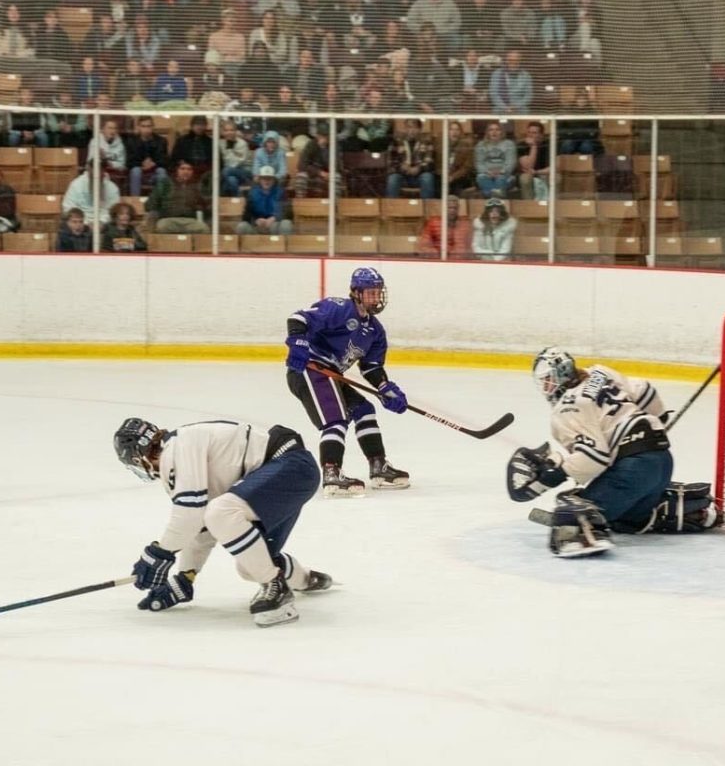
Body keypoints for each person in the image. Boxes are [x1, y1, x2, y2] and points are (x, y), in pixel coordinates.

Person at [112, 417, 333, 627]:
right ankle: (306, 579)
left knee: (222, 513)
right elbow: (200, 526)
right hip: (290, 471)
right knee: (251, 565)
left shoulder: (177, 448)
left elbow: (191, 514)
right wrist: (186, 577)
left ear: (137, 458)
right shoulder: (182, 452)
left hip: (290, 466)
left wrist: (159, 554)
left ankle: (276, 588)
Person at [506, 348, 721, 557]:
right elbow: (645, 391)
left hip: (633, 471)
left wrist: (558, 473)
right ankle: (685, 510)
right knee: (626, 519)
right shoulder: (599, 372)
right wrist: (658, 419)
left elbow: (593, 457)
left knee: (573, 506)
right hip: (663, 461)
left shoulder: (566, 407)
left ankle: (583, 532)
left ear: (558, 377)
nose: (546, 386)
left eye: (547, 380)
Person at [285, 267, 411, 497]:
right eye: (371, 292)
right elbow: (298, 318)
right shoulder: (338, 308)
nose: (376, 297)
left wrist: (384, 387)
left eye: (378, 292)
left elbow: (371, 367)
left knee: (364, 410)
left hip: (332, 374)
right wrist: (298, 343)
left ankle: (378, 468)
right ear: (356, 292)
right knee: (336, 419)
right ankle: (331, 474)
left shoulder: (375, 331)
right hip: (310, 368)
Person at [238, 165, 292, 234]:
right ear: (260, 180)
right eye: (264, 178)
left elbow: (288, 212)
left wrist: (274, 218)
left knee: (286, 224)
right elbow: (246, 215)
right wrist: (255, 220)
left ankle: (280, 244)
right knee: (242, 226)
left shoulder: (281, 192)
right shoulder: (252, 193)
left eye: (269, 178)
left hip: (275, 226)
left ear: (273, 180)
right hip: (257, 227)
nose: (267, 181)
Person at [418, 194, 472, 258]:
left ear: (458, 208)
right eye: (449, 207)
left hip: (460, 262)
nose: (452, 210)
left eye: (455, 208)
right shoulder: (433, 223)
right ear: (444, 208)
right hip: (439, 262)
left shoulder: (465, 224)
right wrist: (438, 255)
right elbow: (424, 245)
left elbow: (469, 247)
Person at [471, 197, 516, 261]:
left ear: (502, 214)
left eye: (497, 211)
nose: (494, 214)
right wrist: (488, 256)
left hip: (502, 262)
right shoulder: (479, 226)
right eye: (491, 211)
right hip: (483, 261)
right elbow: (476, 247)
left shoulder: (507, 227)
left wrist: (494, 262)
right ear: (487, 214)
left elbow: (505, 249)